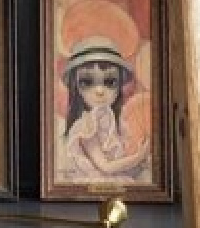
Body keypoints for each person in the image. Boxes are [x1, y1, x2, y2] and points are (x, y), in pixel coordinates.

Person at [60, 35, 151, 184]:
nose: (100, 91)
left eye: (110, 82)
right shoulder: (86, 126)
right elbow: (106, 167)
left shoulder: (114, 123)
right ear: (76, 88)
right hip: (94, 183)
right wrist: (139, 156)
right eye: (87, 82)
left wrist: (139, 163)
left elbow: (118, 163)